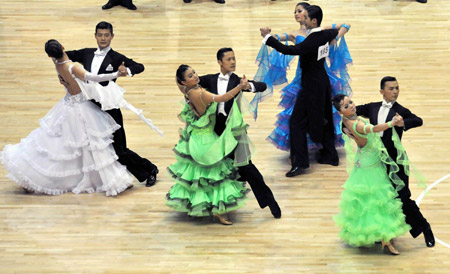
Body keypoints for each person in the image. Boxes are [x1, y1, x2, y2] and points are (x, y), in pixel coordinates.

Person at [0, 39, 134, 196]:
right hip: (81, 108)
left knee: (57, 144)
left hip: (67, 105)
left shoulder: (57, 65)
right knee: (93, 145)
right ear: (63, 47)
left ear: (50, 55)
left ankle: (35, 178)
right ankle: (112, 180)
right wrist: (116, 74)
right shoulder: (72, 67)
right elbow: (94, 78)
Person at [66, 21, 159, 187]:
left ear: (112, 36)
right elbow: (66, 55)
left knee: (119, 148)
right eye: (100, 35)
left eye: (106, 35)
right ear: (95, 36)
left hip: (109, 108)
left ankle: (150, 169)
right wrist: (55, 50)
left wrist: (127, 71)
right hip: (90, 106)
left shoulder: (116, 58)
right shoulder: (86, 53)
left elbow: (140, 66)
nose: (103, 38)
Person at [260, 5, 346, 177]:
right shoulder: (326, 34)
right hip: (323, 82)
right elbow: (339, 30)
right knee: (324, 117)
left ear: (313, 20)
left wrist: (267, 37)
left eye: (305, 17)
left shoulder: (311, 41)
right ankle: (330, 155)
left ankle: (300, 163)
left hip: (311, 86)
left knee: (296, 123)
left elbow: (288, 50)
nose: (302, 19)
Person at [198, 48, 281, 219]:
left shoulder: (237, 81)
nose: (233, 62)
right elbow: (191, 83)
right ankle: (217, 206)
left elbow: (261, 86)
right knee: (218, 170)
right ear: (220, 62)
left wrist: (247, 86)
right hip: (213, 132)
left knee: (247, 167)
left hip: (232, 132)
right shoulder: (210, 79)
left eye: (234, 58)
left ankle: (270, 201)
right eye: (229, 59)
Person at [355, 76, 434, 247]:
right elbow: (354, 111)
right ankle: (383, 232)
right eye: (391, 88)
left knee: (403, 196)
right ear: (382, 91)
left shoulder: (401, 110)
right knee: (380, 197)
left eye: (397, 88)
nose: (395, 91)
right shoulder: (373, 107)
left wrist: (402, 123)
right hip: (376, 160)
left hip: (395, 160)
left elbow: (418, 120)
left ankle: (424, 228)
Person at [166, 65, 250, 225]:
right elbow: (223, 98)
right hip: (207, 140)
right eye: (190, 76)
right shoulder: (201, 93)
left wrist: (181, 80)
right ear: (184, 81)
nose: (196, 76)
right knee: (215, 177)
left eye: (194, 72)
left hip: (194, 138)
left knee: (198, 176)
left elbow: (179, 84)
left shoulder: (187, 91)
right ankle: (219, 212)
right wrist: (239, 86)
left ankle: (197, 206)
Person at [332, 94, 411, 255]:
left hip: (365, 160)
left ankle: (371, 235)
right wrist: (391, 123)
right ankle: (386, 240)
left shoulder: (347, 122)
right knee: (379, 201)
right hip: (370, 165)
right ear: (340, 111)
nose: (351, 106)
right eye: (346, 106)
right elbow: (373, 129)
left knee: (366, 202)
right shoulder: (355, 124)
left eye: (351, 102)